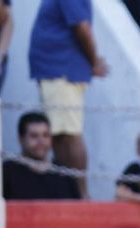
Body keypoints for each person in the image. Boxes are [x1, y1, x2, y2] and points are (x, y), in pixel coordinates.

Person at [29, 0, 109, 198]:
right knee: (59, 135)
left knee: (68, 135)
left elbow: (82, 28)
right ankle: (69, 194)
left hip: (61, 71)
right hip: (57, 70)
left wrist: (94, 61)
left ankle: (79, 197)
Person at [4, 111, 82, 200]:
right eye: (34, 136)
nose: (41, 141)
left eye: (45, 135)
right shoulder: (6, 173)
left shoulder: (64, 174)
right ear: (21, 139)